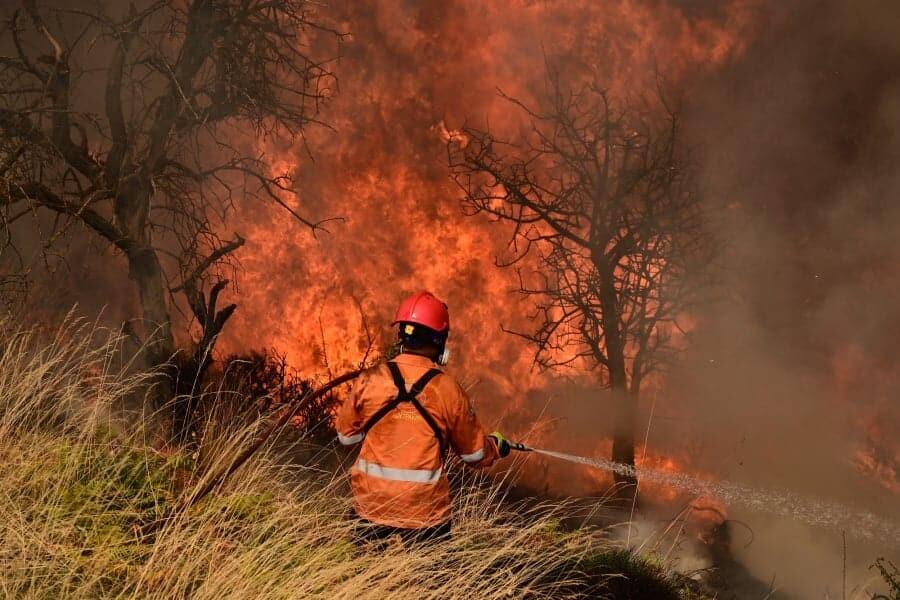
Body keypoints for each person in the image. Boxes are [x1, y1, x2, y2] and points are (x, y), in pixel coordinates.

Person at [335, 290, 512, 546]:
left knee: (362, 578)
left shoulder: (371, 379)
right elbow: (474, 455)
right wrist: (495, 446)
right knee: (431, 584)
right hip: (424, 512)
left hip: (371, 506)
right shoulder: (447, 389)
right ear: (440, 340)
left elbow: (346, 437)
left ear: (402, 336)